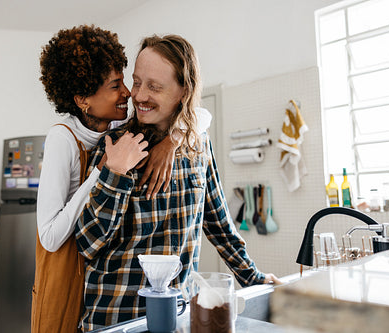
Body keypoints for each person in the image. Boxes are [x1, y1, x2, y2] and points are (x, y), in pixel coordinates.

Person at [75, 34, 281, 331]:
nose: (139, 96)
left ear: (184, 90)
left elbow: (220, 226)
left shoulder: (198, 146)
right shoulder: (115, 147)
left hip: (178, 319)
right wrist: (115, 175)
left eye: (154, 87)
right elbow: (87, 243)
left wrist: (254, 278)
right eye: (137, 82)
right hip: (114, 321)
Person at [33, 26, 187, 332]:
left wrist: (175, 139)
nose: (128, 93)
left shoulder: (111, 130)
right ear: (82, 100)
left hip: (90, 281)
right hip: (66, 275)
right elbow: (49, 237)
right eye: (116, 85)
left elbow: (199, 113)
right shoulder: (62, 139)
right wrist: (105, 170)